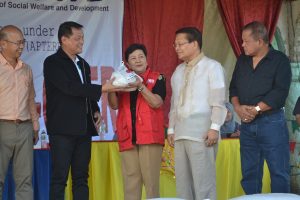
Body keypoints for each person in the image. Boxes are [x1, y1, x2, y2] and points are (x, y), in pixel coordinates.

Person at [43, 21, 125, 200]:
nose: (81, 42)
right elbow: (70, 87)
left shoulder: (83, 64)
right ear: (63, 39)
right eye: (77, 38)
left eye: (82, 38)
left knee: (81, 178)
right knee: (59, 178)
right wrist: (103, 88)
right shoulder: (52, 62)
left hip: (83, 129)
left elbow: (85, 90)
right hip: (62, 129)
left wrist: (94, 109)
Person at [229, 21, 291, 194]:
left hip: (271, 123)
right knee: (249, 173)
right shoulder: (242, 60)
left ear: (260, 41)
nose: (242, 44)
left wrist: (255, 110)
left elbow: (279, 92)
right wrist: (238, 108)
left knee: (279, 172)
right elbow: (233, 87)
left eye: (246, 41)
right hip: (247, 125)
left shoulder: (279, 60)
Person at [167, 27, 227, 200]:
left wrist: (214, 127)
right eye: (175, 44)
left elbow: (218, 101)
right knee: (183, 185)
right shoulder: (178, 71)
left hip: (202, 133)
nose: (177, 48)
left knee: (204, 184)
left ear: (195, 44)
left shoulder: (212, 67)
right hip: (180, 134)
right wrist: (171, 129)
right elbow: (174, 103)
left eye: (180, 44)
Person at [108, 43, 166, 200]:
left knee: (151, 183)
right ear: (128, 63)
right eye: (133, 58)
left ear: (147, 60)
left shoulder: (158, 78)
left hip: (150, 137)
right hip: (128, 136)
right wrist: (112, 87)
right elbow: (114, 105)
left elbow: (156, 103)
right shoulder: (122, 80)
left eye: (141, 56)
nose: (138, 60)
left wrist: (140, 85)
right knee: (130, 182)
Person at [0, 25, 39, 200]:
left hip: (24, 128)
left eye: (23, 42)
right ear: (3, 44)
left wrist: (35, 126)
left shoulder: (27, 69)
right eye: (17, 43)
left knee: (25, 180)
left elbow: (31, 99)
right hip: (2, 126)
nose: (21, 46)